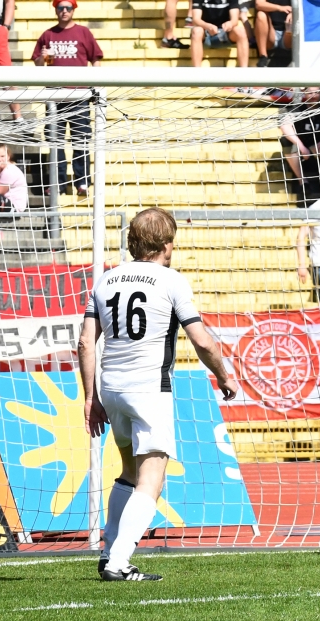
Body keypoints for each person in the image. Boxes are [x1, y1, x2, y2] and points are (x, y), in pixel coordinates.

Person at [80, 207, 239, 581]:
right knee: (152, 480)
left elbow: (87, 343)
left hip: (111, 388)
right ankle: (119, 561)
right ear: (167, 244)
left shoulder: (104, 281)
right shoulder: (170, 280)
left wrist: (90, 397)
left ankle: (107, 552)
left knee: (129, 473)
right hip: (149, 388)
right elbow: (202, 341)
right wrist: (224, 375)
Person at [32, 0, 102, 198]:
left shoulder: (83, 33)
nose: (64, 11)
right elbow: (38, 64)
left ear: (73, 10)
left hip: (79, 95)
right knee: (55, 141)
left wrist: (96, 84)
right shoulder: (48, 34)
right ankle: (58, 182)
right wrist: (42, 57)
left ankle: (82, 181)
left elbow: (95, 58)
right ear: (55, 10)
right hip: (54, 96)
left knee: (81, 140)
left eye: (68, 8)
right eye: (60, 8)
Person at [189, 0, 249, 68]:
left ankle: (244, 70)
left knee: (240, 31)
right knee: (196, 31)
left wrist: (230, 23)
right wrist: (207, 26)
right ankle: (196, 72)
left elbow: (234, 20)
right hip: (205, 33)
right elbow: (196, 19)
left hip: (224, 32)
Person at [252, 0, 290, 67]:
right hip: (270, 33)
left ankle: (296, 55)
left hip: (288, 32)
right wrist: (280, 8)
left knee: (295, 17)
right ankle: (263, 57)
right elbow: (259, 4)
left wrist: (294, 13)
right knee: (261, 15)